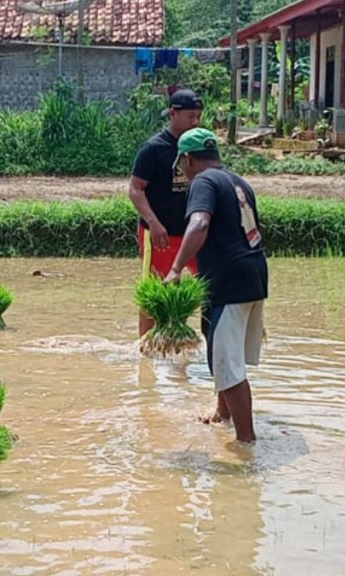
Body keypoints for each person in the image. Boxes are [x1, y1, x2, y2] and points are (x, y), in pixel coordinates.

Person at [164, 128, 269, 444]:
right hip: (253, 274)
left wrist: (175, 268)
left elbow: (200, 223)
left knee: (230, 365)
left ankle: (246, 442)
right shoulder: (239, 182)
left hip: (229, 281)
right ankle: (222, 413)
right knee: (220, 348)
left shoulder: (203, 182)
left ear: (188, 159)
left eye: (181, 162)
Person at [128, 89, 204, 336]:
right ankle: (147, 346)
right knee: (154, 292)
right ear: (173, 114)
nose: (195, 122)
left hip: (193, 231)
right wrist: (153, 222)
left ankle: (200, 340)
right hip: (159, 233)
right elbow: (135, 189)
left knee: (207, 284)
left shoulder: (199, 147)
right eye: (190, 116)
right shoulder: (153, 149)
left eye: (198, 117)